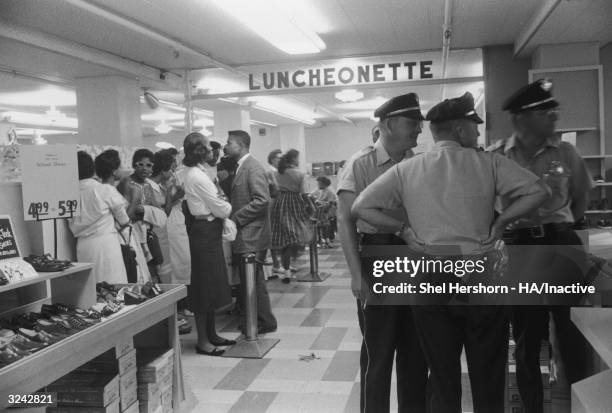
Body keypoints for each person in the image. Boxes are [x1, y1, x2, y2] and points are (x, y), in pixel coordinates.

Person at [352, 92, 551, 413]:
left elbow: (362, 207)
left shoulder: (408, 169)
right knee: (487, 373)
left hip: (431, 276)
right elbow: (539, 190)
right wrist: (500, 225)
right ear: (460, 130)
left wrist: (403, 232)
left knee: (442, 376)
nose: (477, 133)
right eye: (474, 126)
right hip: (480, 274)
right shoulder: (489, 162)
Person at [489, 79, 593, 413]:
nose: (554, 116)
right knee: (527, 337)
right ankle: (532, 406)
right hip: (520, 251)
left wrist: (557, 228)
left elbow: (580, 200)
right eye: (545, 111)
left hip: (562, 245)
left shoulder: (566, 152)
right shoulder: (496, 156)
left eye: (553, 109)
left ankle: (580, 402)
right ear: (521, 118)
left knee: (574, 331)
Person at [336, 93, 427, 413]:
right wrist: (356, 276)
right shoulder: (360, 165)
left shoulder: (417, 163)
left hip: (414, 258)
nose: (419, 130)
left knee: (416, 350)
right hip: (378, 258)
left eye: (419, 124)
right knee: (379, 352)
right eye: (412, 124)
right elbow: (345, 223)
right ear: (388, 125)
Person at [182, 132, 235, 356]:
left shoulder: (202, 172)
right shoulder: (197, 176)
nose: (214, 150)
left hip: (209, 232)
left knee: (212, 287)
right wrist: (224, 203)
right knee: (204, 288)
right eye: (208, 146)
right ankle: (203, 341)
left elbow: (219, 202)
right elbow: (223, 208)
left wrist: (221, 201)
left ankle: (211, 334)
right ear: (200, 151)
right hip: (204, 233)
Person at [225, 130, 277, 334]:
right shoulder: (242, 167)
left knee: (252, 280)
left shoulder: (252, 167)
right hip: (249, 233)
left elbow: (262, 201)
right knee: (253, 280)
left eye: (229, 143)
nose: (226, 146)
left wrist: (235, 218)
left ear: (242, 145)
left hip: (251, 234)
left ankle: (263, 321)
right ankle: (261, 319)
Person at [69, 151, 134, 284]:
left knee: (91, 286)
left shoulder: (68, 194)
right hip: (106, 245)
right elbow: (124, 220)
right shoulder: (104, 190)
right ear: (92, 168)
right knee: (113, 284)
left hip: (83, 246)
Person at [94, 149, 151, 283]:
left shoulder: (98, 189)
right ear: (114, 171)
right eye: (119, 167)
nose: (122, 170)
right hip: (120, 238)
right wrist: (135, 199)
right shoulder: (110, 190)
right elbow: (124, 219)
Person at [270, 149, 314, 284]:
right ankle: (289, 262)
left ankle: (286, 270)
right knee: (296, 235)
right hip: (295, 203)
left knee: (284, 239)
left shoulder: (277, 173)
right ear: (293, 159)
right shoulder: (300, 174)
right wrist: (311, 206)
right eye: (297, 158)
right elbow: (304, 193)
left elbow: (274, 191)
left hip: (279, 204)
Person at [265, 149, 283, 278]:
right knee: (274, 233)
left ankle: (283, 263)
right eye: (278, 158)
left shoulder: (278, 172)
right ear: (272, 159)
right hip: (273, 204)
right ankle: (276, 264)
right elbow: (273, 189)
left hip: (280, 203)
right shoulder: (269, 172)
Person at [310, 176, 337, 248]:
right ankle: (320, 239)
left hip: (326, 211)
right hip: (319, 211)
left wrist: (325, 205)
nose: (318, 185)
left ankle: (326, 239)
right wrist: (312, 199)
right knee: (318, 225)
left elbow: (332, 202)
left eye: (320, 183)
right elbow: (311, 195)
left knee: (325, 225)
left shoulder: (329, 191)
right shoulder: (317, 190)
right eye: (318, 183)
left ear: (325, 184)